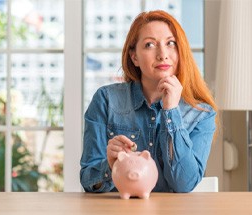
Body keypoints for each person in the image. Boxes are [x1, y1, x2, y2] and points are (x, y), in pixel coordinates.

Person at [80, 10, 218, 193]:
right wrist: (110, 166)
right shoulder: (106, 100)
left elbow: (184, 184)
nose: (163, 54)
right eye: (150, 45)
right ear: (134, 57)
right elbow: (88, 180)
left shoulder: (201, 113)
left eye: (171, 43)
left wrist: (171, 112)